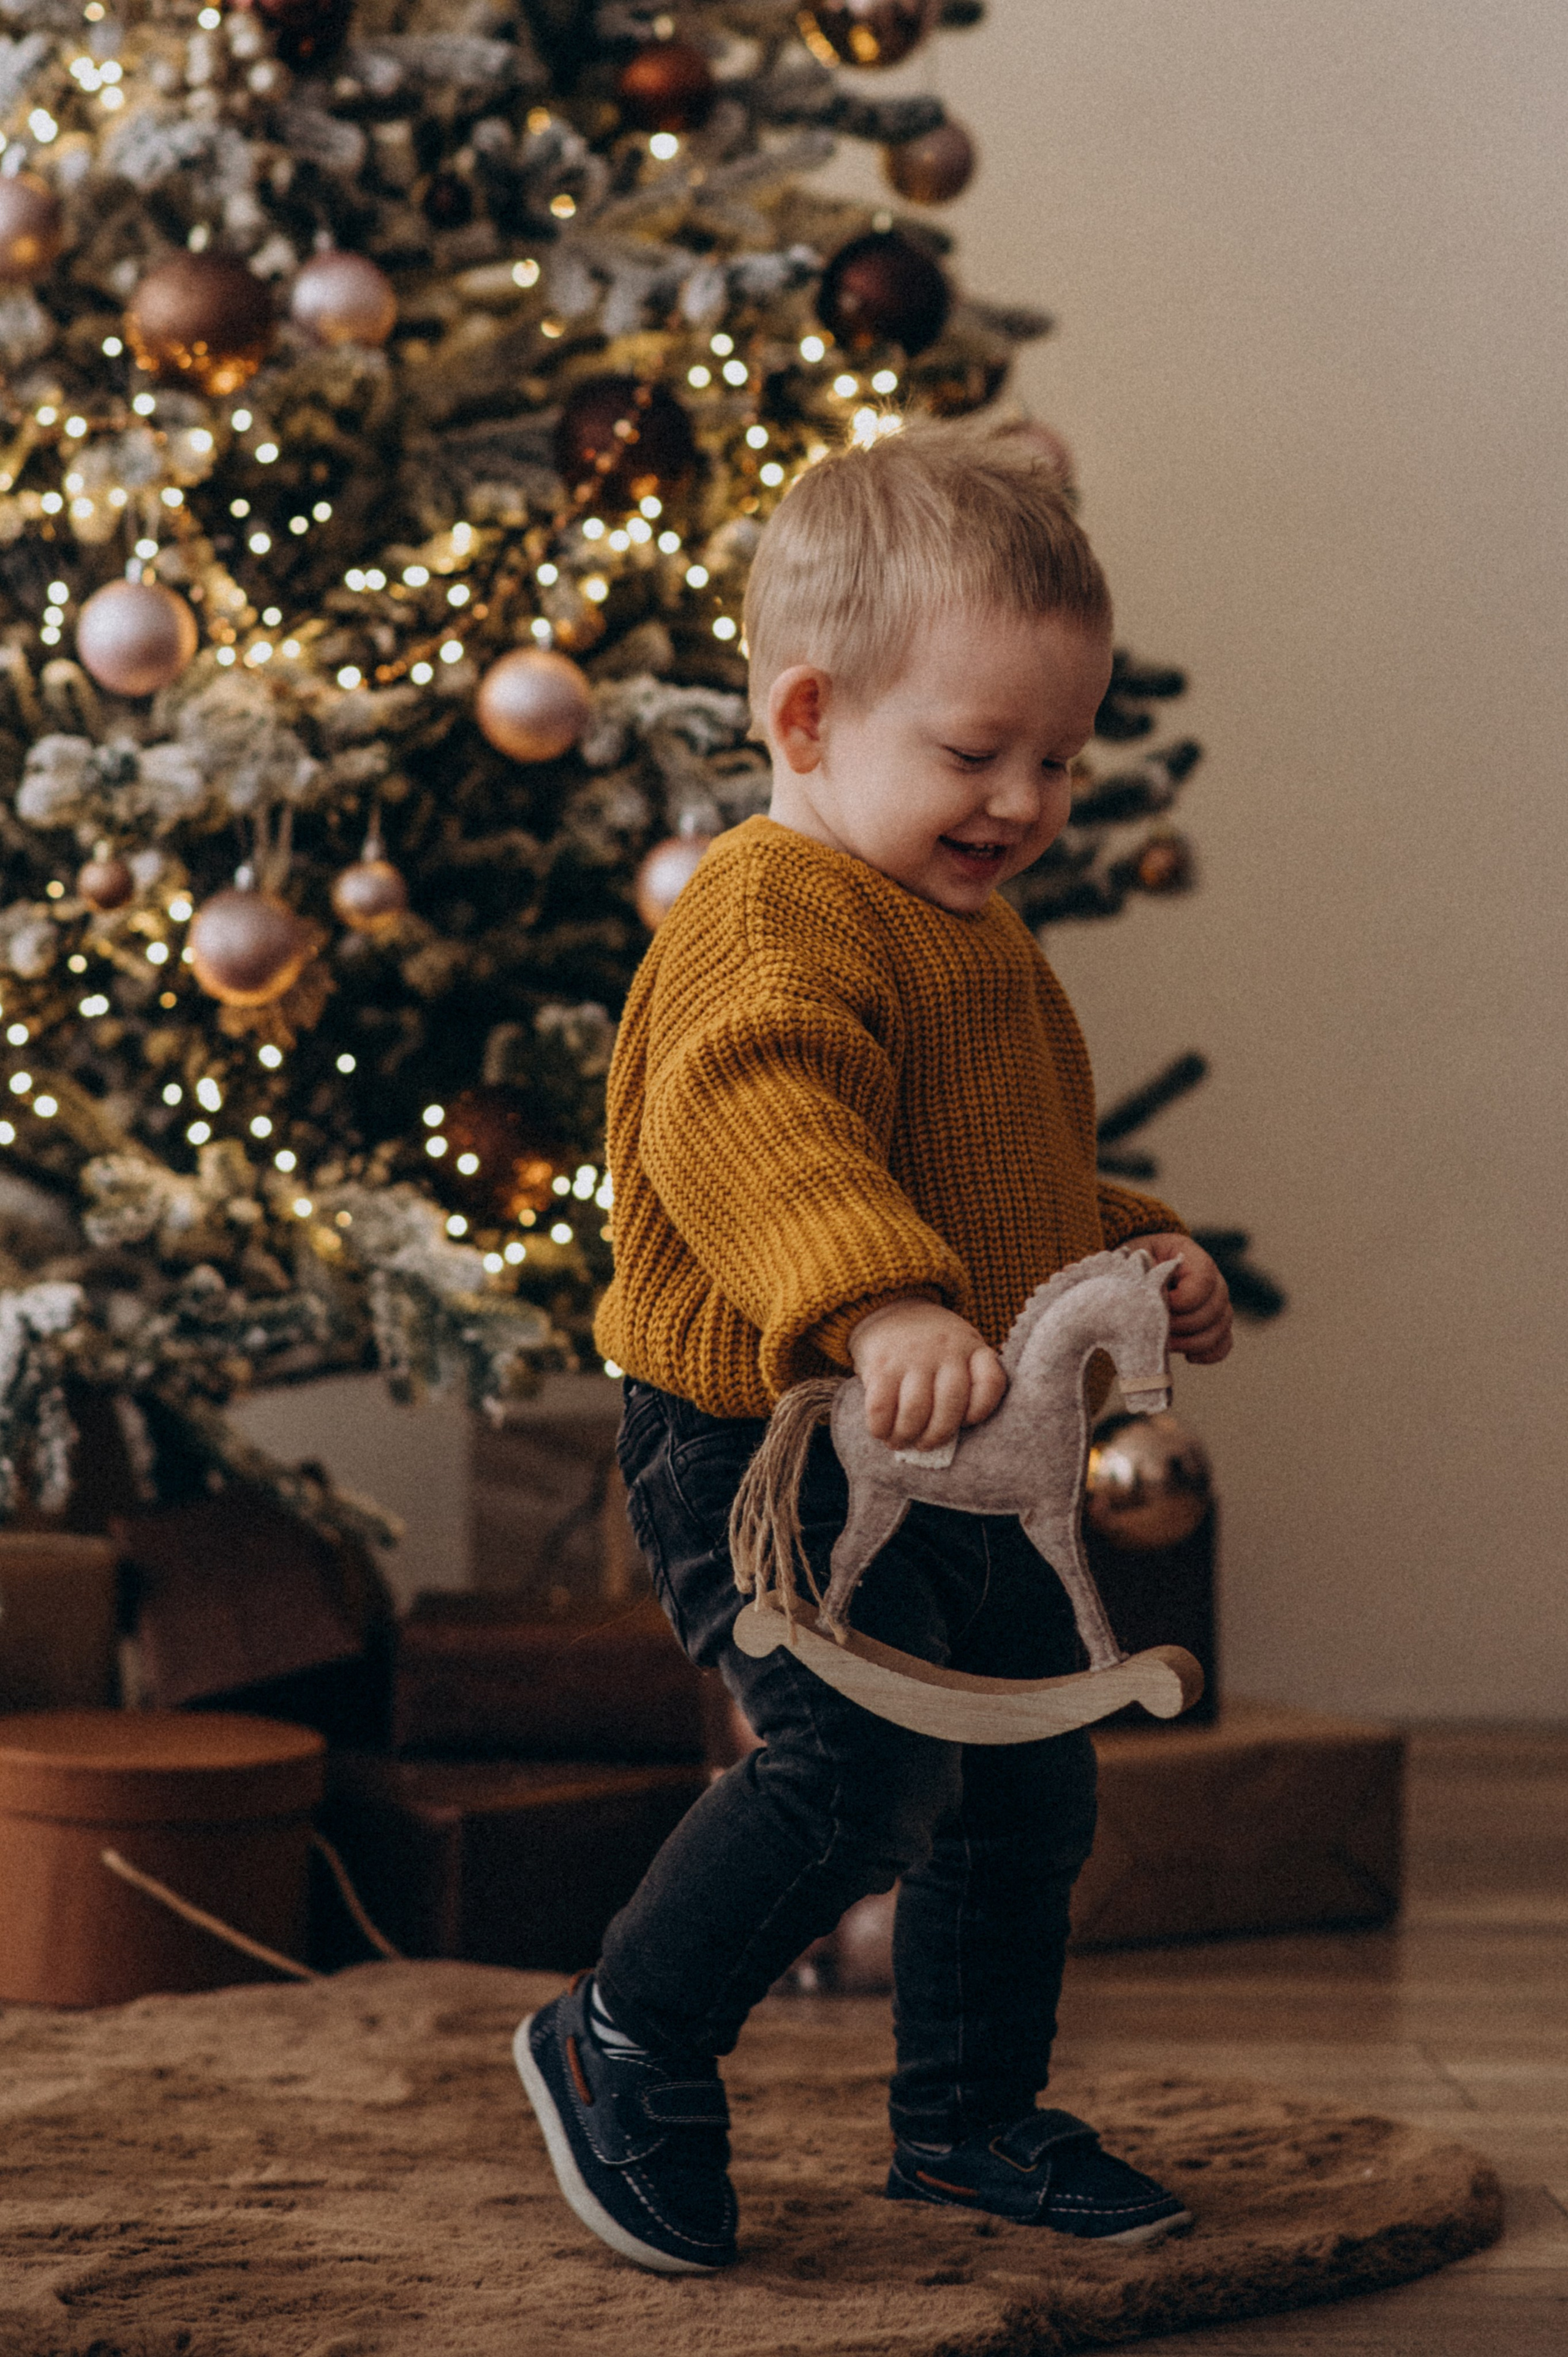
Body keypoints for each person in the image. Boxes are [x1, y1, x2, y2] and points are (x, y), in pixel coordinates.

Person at [515, 423, 1234, 2275]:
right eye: (974, 752)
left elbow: (1006, 1177)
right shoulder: (770, 904)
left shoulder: (976, 937)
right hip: (772, 1442)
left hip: (961, 1443)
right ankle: (624, 2039)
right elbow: (759, 1125)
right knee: (855, 1771)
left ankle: (970, 2118)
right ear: (811, 718)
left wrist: (1131, 1253)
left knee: (1026, 1786)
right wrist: (880, 1300)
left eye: (1057, 760)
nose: (1022, 799)